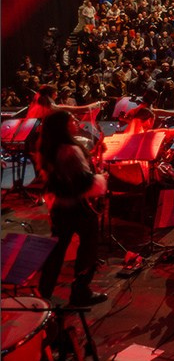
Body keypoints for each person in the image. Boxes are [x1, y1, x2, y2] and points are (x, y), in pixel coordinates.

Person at [35, 111, 109, 306]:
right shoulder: (69, 150)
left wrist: (93, 156)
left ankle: (44, 294)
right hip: (79, 208)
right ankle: (80, 292)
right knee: (88, 250)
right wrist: (102, 179)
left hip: (59, 207)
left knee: (56, 252)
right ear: (63, 126)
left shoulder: (48, 148)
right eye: (72, 120)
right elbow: (83, 183)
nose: (76, 122)